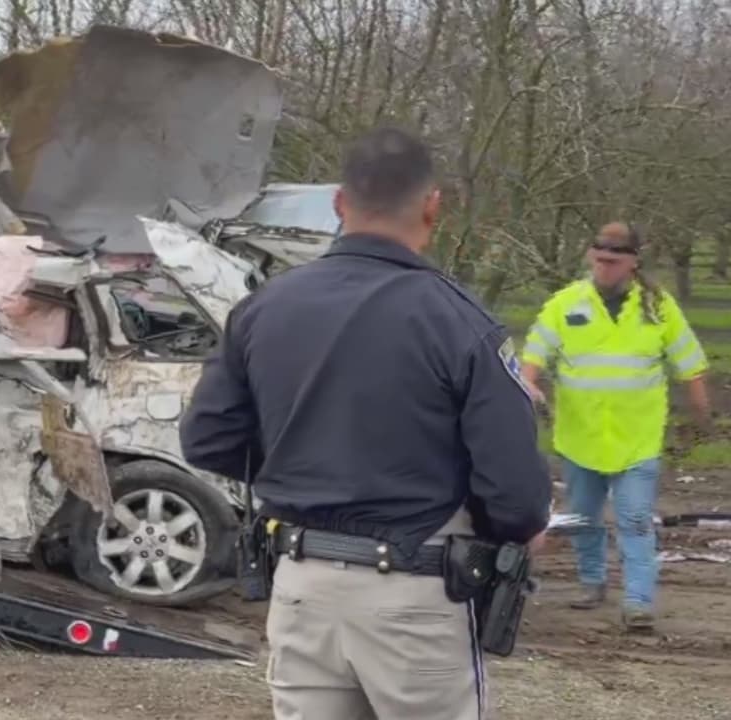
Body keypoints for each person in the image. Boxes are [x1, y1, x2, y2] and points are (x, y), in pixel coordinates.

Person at [179, 126, 551, 720]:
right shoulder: (459, 322)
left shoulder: (262, 308)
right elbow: (516, 494)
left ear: (338, 204)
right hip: (416, 588)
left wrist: (301, 457)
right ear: (433, 205)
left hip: (303, 586)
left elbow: (207, 438)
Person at [518, 221, 711, 631]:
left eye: (613, 261)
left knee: (636, 519)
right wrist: (527, 386)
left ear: (633, 263)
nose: (604, 267)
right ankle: (593, 583)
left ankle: (638, 602)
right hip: (579, 437)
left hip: (636, 440)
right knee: (584, 518)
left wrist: (702, 418)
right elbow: (534, 353)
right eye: (599, 259)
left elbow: (689, 364)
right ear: (591, 256)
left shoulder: (658, 307)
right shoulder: (566, 304)